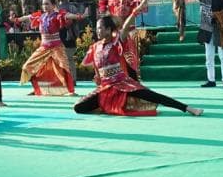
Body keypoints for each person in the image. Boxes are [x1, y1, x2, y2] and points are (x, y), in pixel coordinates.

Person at [75, 12, 203, 117]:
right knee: (79, 107)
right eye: (96, 28)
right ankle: (110, 106)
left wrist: (136, 11)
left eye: (100, 28)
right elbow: (96, 67)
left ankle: (188, 108)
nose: (97, 31)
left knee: (153, 96)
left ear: (108, 29)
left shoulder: (116, 42)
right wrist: (97, 77)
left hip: (122, 83)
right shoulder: (95, 47)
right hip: (106, 87)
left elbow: (125, 28)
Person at [19, 0, 85, 96]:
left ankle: (70, 91)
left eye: (47, 4)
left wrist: (79, 16)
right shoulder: (40, 16)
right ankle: (38, 88)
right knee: (28, 66)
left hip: (56, 47)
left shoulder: (57, 15)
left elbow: (68, 15)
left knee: (64, 68)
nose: (44, 6)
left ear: (53, 5)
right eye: (43, 4)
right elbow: (27, 17)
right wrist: (16, 20)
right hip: (44, 47)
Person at [179, 0, 223, 88]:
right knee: (209, 56)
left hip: (220, 29)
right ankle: (211, 80)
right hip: (207, 28)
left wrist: (217, 15)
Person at [107, 0, 148, 79]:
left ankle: (133, 79)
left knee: (130, 57)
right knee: (116, 56)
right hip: (116, 33)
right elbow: (111, 16)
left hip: (130, 31)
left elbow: (145, 7)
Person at [53, 0, 85, 82]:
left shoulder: (71, 7)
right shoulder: (55, 7)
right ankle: (61, 79)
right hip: (57, 35)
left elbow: (75, 20)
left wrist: (67, 21)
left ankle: (72, 79)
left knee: (69, 58)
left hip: (68, 35)